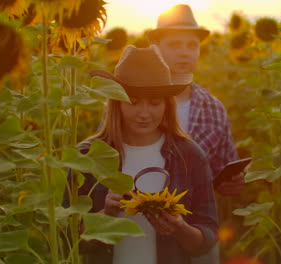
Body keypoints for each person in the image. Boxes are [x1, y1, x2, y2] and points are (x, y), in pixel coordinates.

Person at [66, 45, 218, 264]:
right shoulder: (87, 156)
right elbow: (68, 239)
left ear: (167, 105)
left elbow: (206, 240)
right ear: (116, 103)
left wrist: (179, 227)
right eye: (133, 102)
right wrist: (106, 214)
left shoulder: (189, 155)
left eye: (155, 103)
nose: (144, 114)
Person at [147, 4, 244, 197]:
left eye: (192, 45)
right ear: (156, 49)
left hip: (193, 220)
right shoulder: (134, 102)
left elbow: (223, 168)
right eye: (174, 44)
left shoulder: (214, 109)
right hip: (137, 215)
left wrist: (230, 183)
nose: (184, 52)